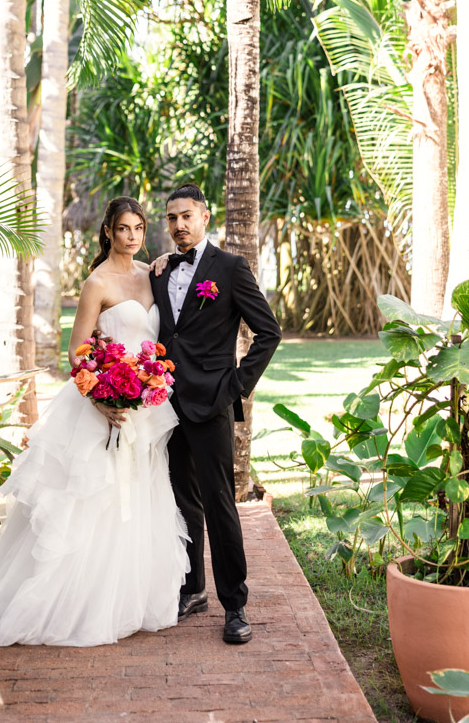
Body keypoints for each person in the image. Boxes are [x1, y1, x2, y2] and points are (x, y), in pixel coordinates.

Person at [0, 197, 188, 647]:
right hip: (102, 404)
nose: (132, 236)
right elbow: (78, 350)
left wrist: (145, 384)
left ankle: (131, 598)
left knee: (142, 494)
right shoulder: (96, 282)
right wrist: (102, 399)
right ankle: (73, 602)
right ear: (107, 232)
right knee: (89, 499)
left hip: (146, 404)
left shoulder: (151, 274)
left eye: (139, 228)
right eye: (123, 228)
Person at [150, 184, 281, 645]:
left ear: (205, 217)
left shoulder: (230, 268)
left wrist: (236, 386)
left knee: (220, 504)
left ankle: (235, 604)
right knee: (183, 502)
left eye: (187, 216)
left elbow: (269, 331)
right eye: (171, 218)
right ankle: (192, 589)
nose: (179, 225)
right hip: (165, 405)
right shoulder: (160, 272)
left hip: (212, 404)